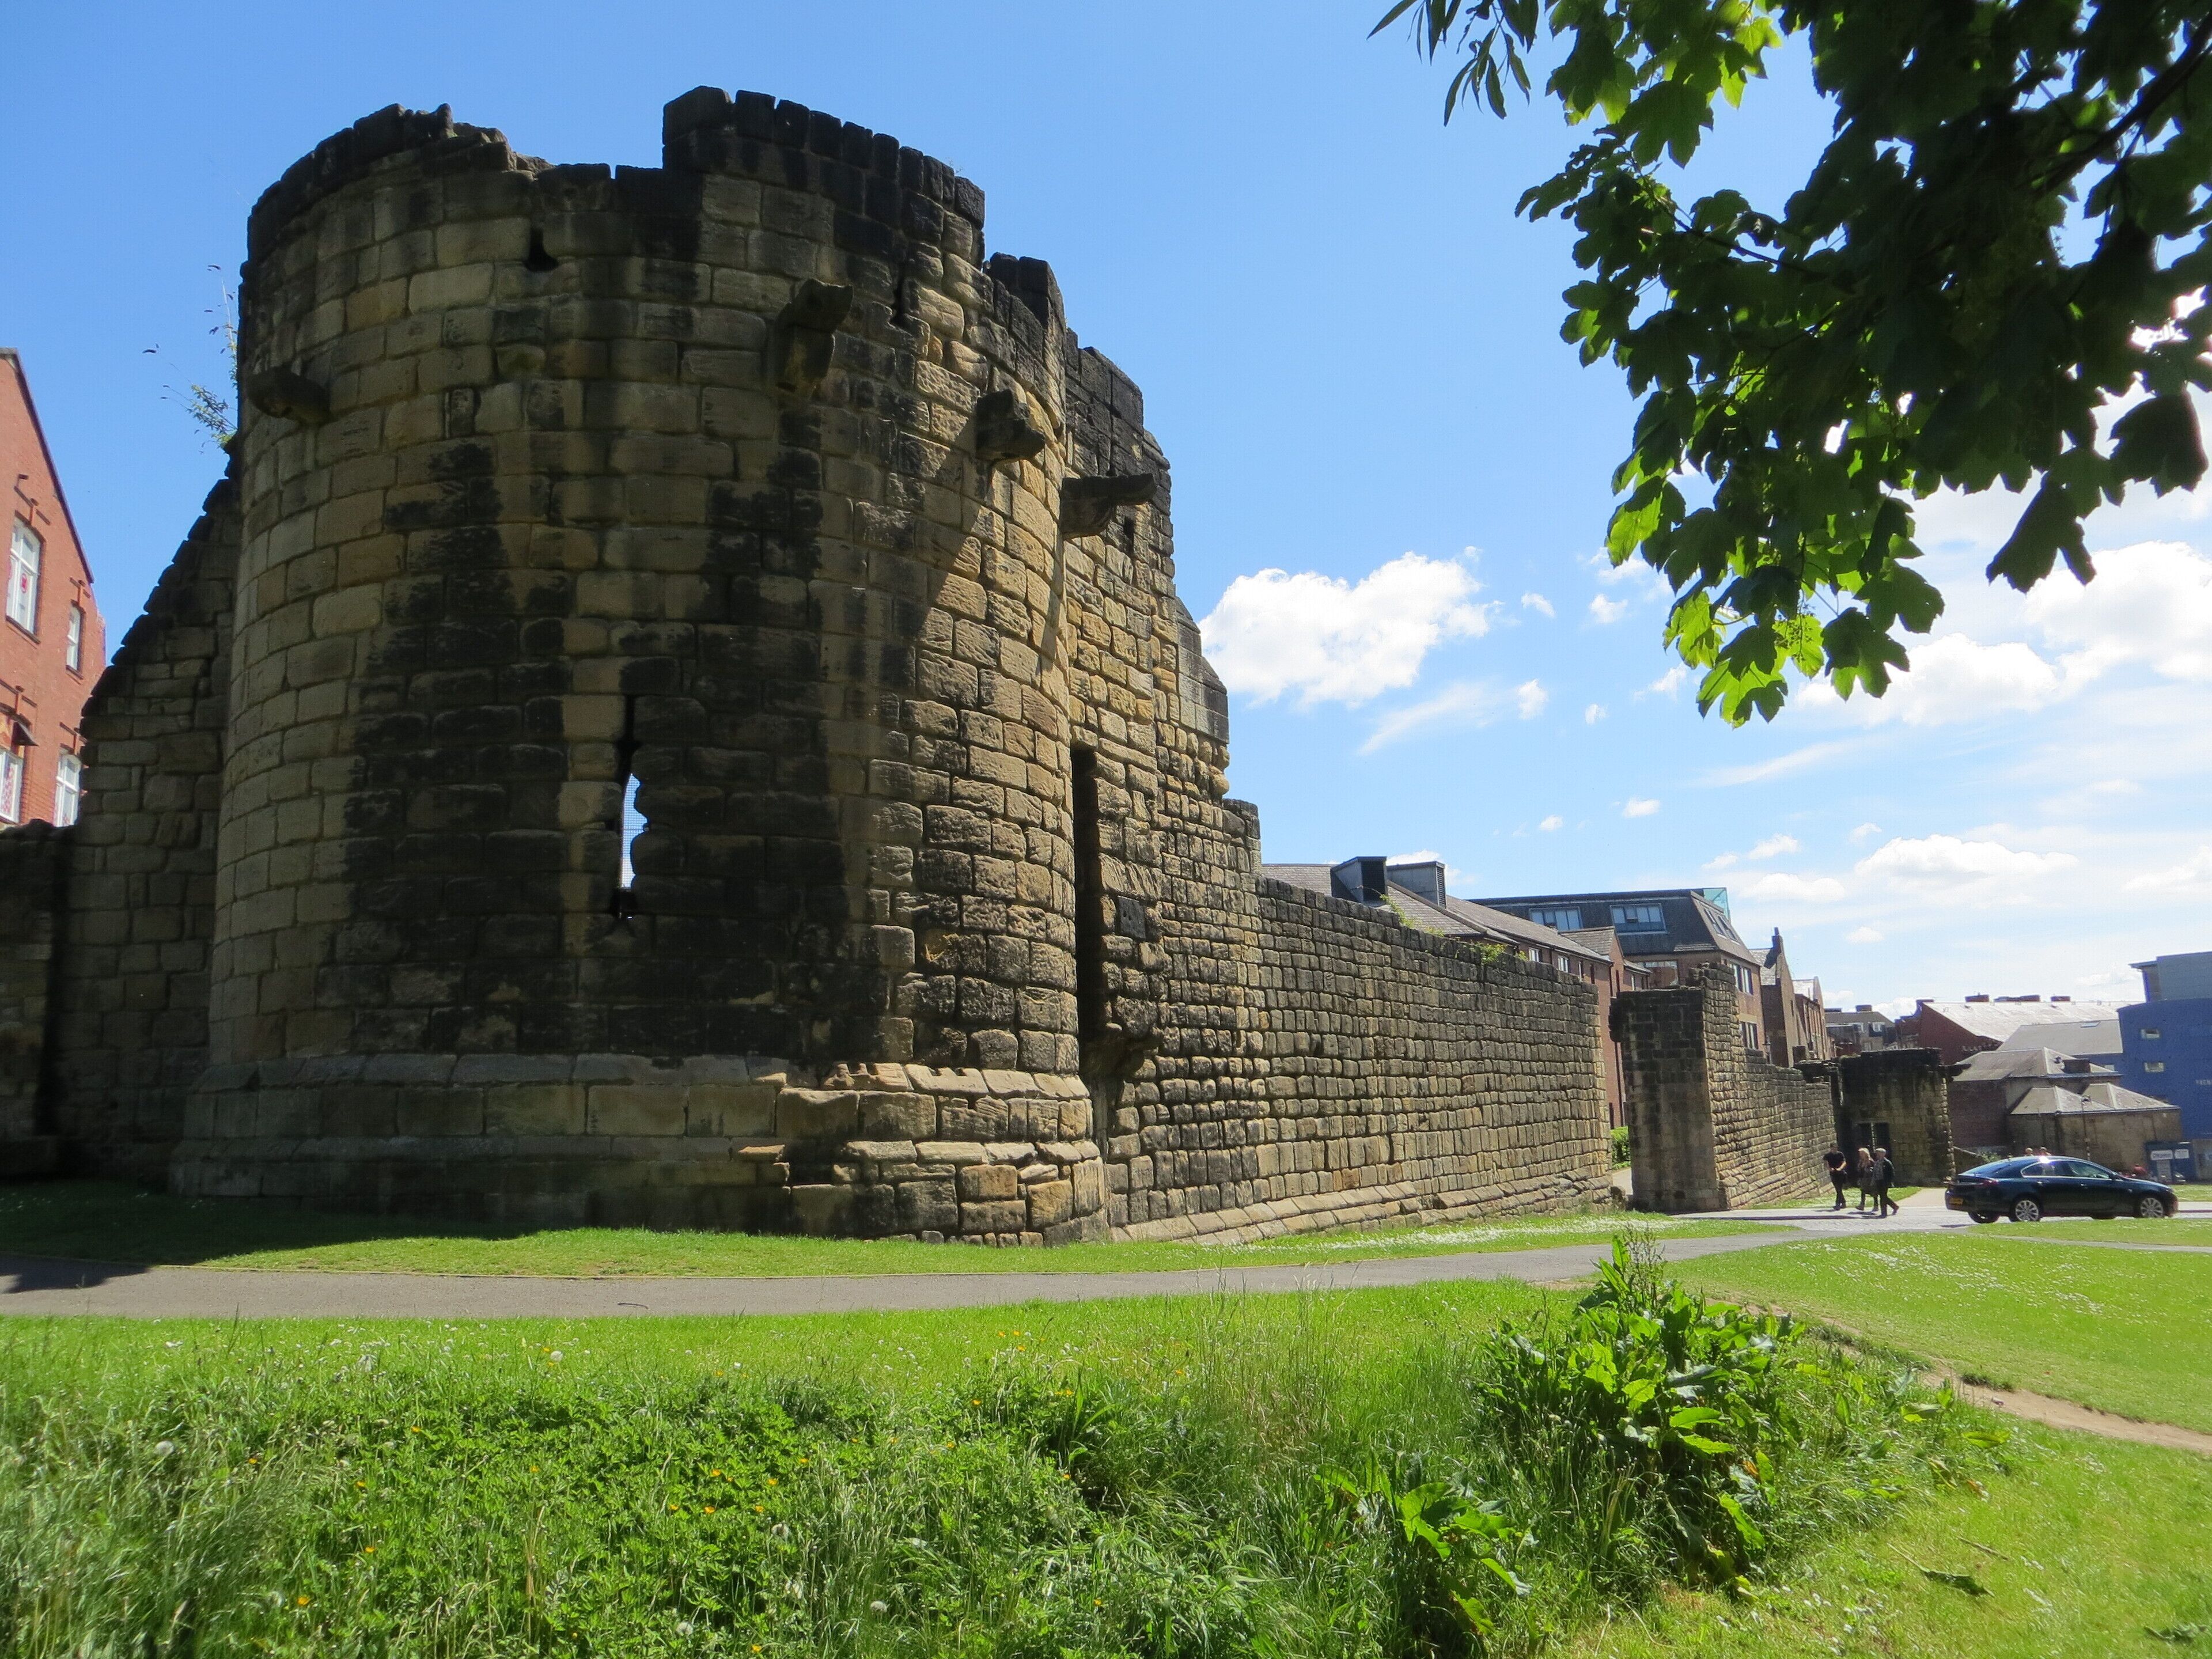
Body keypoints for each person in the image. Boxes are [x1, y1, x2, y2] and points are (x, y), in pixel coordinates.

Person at [1870, 1146, 1898, 1218]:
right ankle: (1894, 1206)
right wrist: (1873, 1181)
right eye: (1877, 1153)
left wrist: (1890, 1182)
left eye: (1879, 1153)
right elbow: (1875, 1172)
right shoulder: (1877, 1162)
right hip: (1878, 1181)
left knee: (1883, 1197)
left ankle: (1884, 1212)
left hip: (1884, 1181)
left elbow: (1891, 1173)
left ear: (1883, 1154)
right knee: (1883, 1196)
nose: (1877, 1155)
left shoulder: (1887, 1163)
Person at [1823, 1146, 1850, 1210]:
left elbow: (1844, 1162)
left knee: (1839, 1188)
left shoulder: (1840, 1154)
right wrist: (1830, 1169)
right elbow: (1826, 1164)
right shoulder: (1827, 1156)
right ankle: (1843, 1203)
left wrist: (1840, 1168)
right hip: (1833, 1174)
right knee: (1838, 1189)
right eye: (1833, 1148)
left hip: (1840, 1173)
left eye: (1835, 1148)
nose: (1834, 1149)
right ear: (1831, 1148)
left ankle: (1838, 1204)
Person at [1853, 1146, 1874, 1211]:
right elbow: (1860, 1170)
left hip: (1869, 1179)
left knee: (1873, 1192)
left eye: (1862, 1153)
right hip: (1863, 1179)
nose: (1861, 1155)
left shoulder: (1870, 1161)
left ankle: (1876, 1205)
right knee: (1863, 1191)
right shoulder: (1861, 1161)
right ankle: (1862, 1205)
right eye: (1860, 1154)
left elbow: (1873, 1170)